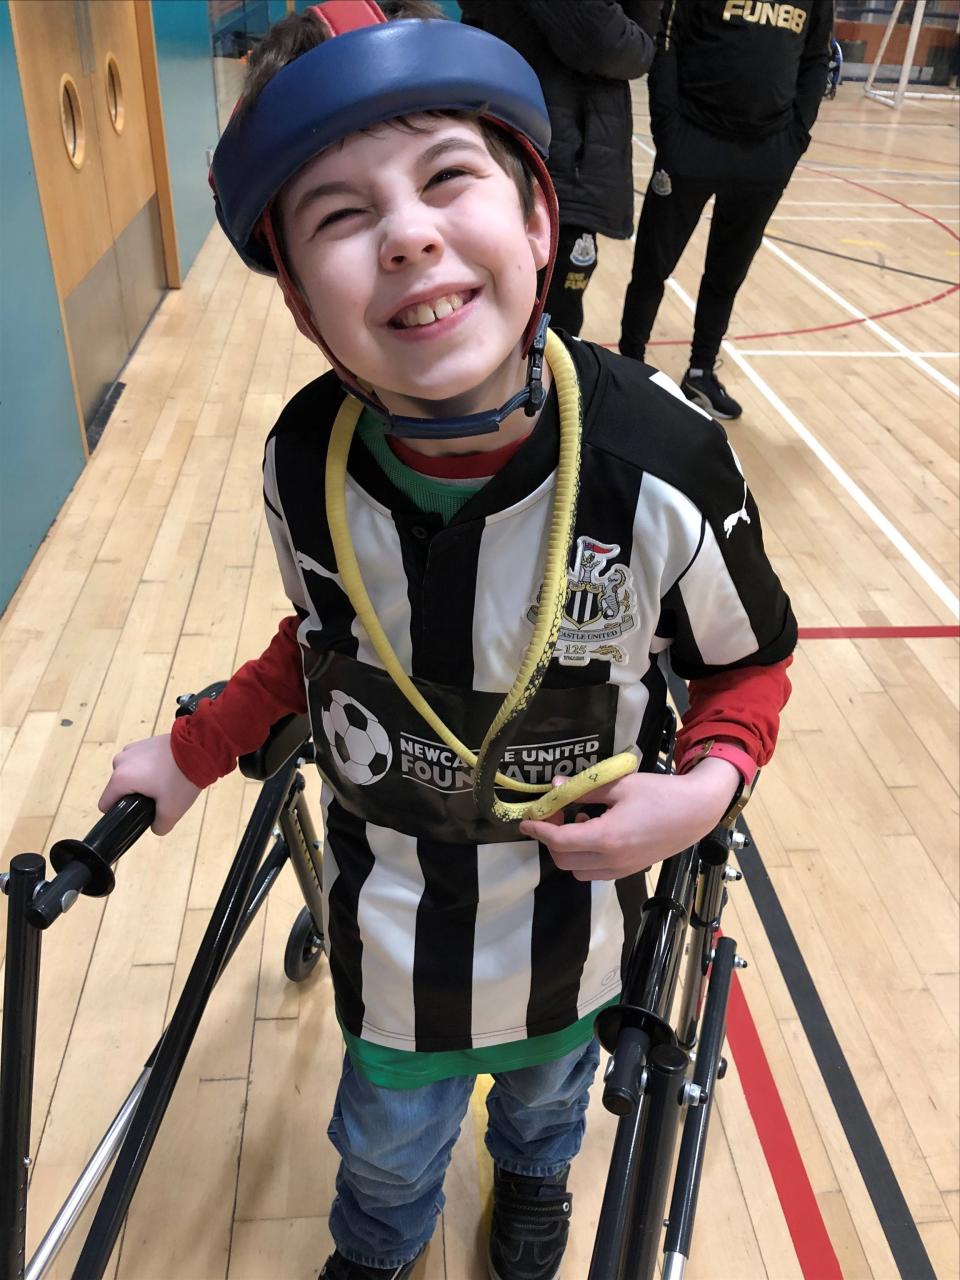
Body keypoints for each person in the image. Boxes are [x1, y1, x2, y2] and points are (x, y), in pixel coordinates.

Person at [98, 4, 796, 1278]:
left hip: (579, 909)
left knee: (546, 1100)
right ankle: (379, 1241)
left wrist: (699, 793)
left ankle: (534, 1187)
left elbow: (747, 665)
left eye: (445, 178)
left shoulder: (661, 464)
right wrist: (190, 753)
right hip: (396, 915)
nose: (409, 233)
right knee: (387, 1137)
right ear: (308, 307)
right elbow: (320, 642)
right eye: (340, 215)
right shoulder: (304, 462)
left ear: (539, 219)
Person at [619, 0, 833, 419]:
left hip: (767, 154)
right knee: (653, 265)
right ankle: (630, 367)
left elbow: (816, 58)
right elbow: (667, 40)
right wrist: (669, 130)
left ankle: (700, 371)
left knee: (727, 273)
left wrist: (795, 139)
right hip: (692, 141)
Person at [458, 0, 658, 338]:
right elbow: (614, 46)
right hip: (555, 159)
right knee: (547, 328)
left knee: (513, 316)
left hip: (530, 144)